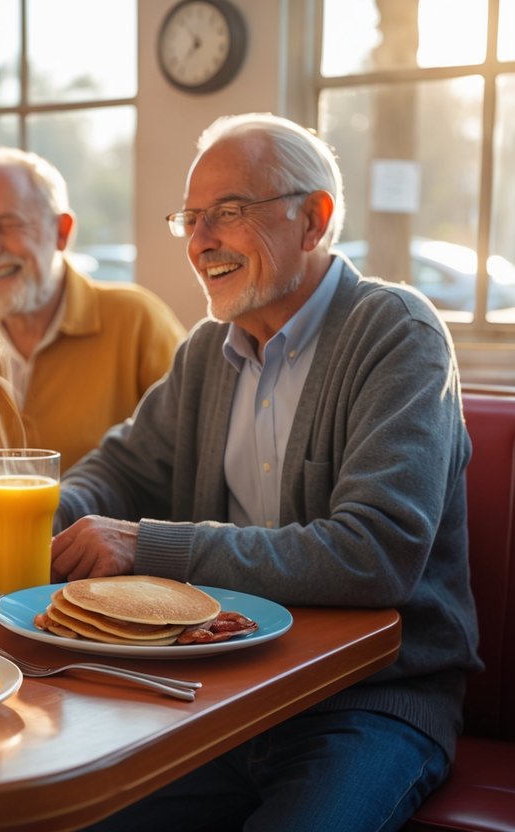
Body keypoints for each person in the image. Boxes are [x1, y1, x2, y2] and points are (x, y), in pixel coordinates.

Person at [49, 114, 478, 830]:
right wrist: (22, 509)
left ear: (313, 220)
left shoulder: (397, 334)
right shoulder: (203, 355)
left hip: (367, 704)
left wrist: (147, 544)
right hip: (219, 701)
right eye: (190, 218)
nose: (198, 240)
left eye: (228, 213)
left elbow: (373, 554)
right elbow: (115, 472)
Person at [0, 147, 185, 536]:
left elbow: (186, 466)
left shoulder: (136, 320)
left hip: (104, 582)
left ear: (62, 232)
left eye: (9, 224)